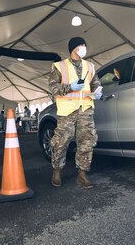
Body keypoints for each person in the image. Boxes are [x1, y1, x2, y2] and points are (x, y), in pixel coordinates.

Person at [49, 36, 102, 189]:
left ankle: (82, 174)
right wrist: (70, 87)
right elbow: (53, 89)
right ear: (73, 48)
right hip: (67, 111)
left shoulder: (90, 66)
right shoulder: (59, 66)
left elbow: (96, 84)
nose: (84, 47)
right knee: (60, 143)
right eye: (81, 45)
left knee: (87, 143)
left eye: (85, 45)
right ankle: (57, 171)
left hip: (86, 110)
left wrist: (97, 92)